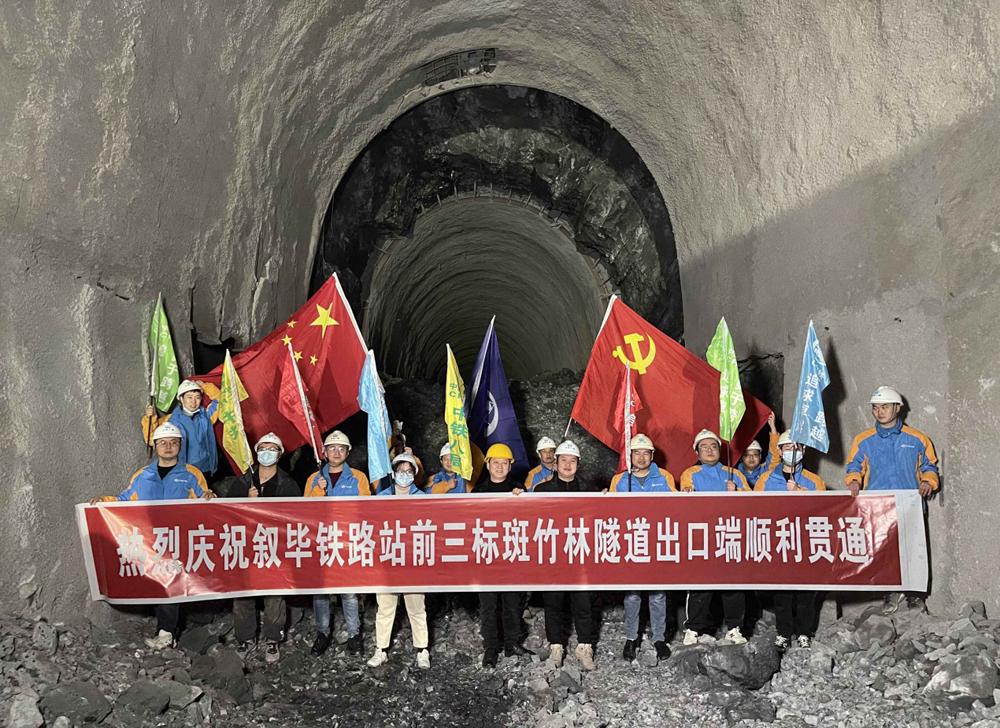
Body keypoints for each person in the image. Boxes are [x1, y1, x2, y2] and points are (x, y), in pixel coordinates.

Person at [90, 422, 216, 649]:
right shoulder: (143, 475)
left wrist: (208, 497)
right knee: (158, 583)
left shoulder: (191, 474)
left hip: (177, 539)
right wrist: (104, 501)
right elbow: (125, 499)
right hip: (150, 540)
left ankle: (167, 633)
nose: (168, 447)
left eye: (173, 442)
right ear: (155, 446)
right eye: (163, 443)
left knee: (170, 581)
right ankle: (166, 629)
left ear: (180, 445)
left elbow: (204, 500)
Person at [846, 386, 939, 615]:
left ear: (898, 408)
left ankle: (915, 595)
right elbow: (854, 465)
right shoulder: (863, 440)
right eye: (875, 408)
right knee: (885, 551)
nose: (879, 412)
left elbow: (929, 466)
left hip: (910, 505)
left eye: (885, 407)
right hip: (878, 506)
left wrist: (928, 482)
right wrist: (854, 480)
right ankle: (890, 592)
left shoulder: (917, 439)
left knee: (913, 550)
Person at [517, 440, 598, 671]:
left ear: (578, 464)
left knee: (583, 604)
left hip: (580, 555)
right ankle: (556, 646)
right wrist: (518, 497)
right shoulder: (541, 490)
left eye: (572, 460)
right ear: (556, 463)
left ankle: (584, 647)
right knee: (553, 604)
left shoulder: (590, 490)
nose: (568, 464)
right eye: (564, 460)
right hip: (553, 556)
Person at [224, 433, 300, 662]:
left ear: (280, 454)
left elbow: (296, 517)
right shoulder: (244, 482)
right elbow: (226, 513)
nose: (267, 453)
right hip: (246, 546)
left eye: (272, 449)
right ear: (256, 453)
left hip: (275, 547)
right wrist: (245, 501)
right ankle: (246, 638)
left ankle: (273, 639)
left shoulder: (288, 484)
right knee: (243, 594)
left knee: (274, 595)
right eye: (263, 448)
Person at [753, 430, 826, 651]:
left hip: (805, 542)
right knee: (781, 593)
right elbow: (753, 507)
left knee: (806, 592)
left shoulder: (814, 481)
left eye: (796, 448)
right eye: (787, 447)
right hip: (779, 541)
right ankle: (783, 633)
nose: (792, 452)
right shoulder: (765, 480)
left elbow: (824, 508)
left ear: (804, 451)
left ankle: (804, 633)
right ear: (779, 450)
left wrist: (800, 491)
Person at [680, 429, 750, 646]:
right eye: (704, 447)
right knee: (700, 584)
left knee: (733, 584)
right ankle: (693, 629)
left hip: (730, 535)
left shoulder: (734, 474)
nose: (709, 451)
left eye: (713, 447)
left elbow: (755, 501)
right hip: (702, 537)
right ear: (697, 452)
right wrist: (687, 494)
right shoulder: (690, 473)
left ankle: (734, 628)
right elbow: (684, 500)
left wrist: (737, 491)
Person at [608, 434, 675, 663]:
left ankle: (659, 638)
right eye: (636, 453)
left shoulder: (664, 477)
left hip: (657, 541)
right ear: (630, 456)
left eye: (646, 453)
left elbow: (677, 508)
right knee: (632, 594)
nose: (641, 457)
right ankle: (631, 638)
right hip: (631, 542)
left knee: (658, 594)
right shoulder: (620, 480)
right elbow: (610, 512)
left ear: (652, 456)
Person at [305, 430, 371, 656]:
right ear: (324, 453)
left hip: (348, 541)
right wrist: (318, 490)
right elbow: (304, 512)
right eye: (332, 448)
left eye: (341, 448)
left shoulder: (358, 478)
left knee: (349, 592)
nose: (336, 452)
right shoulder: (314, 479)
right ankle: (322, 633)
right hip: (321, 542)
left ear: (348, 452)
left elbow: (366, 510)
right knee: (320, 592)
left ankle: (354, 634)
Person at [368, 453, 431, 669]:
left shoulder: (423, 499)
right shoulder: (381, 497)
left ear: (414, 474)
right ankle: (381, 649)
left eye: (409, 471)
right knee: (385, 607)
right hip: (388, 559)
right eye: (401, 471)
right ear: (393, 473)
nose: (404, 475)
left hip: (413, 560)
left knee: (416, 607)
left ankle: (422, 650)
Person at [471, 444, 529, 666]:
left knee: (512, 602)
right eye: (495, 462)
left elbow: (530, 519)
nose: (499, 467)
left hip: (511, 554)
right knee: (488, 605)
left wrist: (523, 499)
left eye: (504, 463)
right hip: (487, 555)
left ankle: (512, 643)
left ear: (510, 466)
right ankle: (491, 647)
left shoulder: (519, 489)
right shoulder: (478, 492)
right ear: (487, 465)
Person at [141, 379, 221, 478]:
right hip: (185, 472)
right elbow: (150, 439)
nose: (193, 402)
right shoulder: (171, 421)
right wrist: (151, 418)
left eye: (197, 397)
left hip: (206, 468)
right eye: (189, 397)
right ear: (181, 399)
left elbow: (221, 400)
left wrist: (205, 386)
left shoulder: (205, 416)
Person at [737, 412, 779, 486]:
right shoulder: (735, 474)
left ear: (760, 456)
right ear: (741, 458)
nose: (751, 458)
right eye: (747, 455)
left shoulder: (766, 470)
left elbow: (774, 455)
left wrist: (773, 427)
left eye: (755, 454)